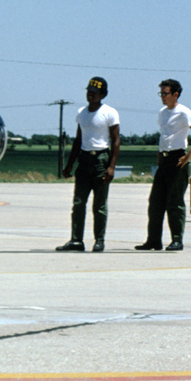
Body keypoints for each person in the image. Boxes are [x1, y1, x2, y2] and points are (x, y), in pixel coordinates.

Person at [137, 79, 191, 251]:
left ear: (175, 94)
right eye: (161, 93)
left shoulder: (184, 112)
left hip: (178, 160)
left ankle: (177, 239)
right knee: (155, 202)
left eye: (165, 93)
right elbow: (165, 135)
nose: (162, 97)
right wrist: (160, 155)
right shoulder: (162, 112)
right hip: (165, 160)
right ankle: (153, 240)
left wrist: (188, 156)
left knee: (174, 202)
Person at [58, 76, 119, 252]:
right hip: (84, 160)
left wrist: (111, 166)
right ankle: (76, 240)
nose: (90, 95)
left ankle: (99, 240)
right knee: (78, 203)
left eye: (94, 93)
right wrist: (70, 165)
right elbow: (78, 140)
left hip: (101, 160)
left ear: (103, 95)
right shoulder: (81, 113)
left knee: (99, 205)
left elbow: (115, 140)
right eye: (88, 92)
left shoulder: (109, 113)